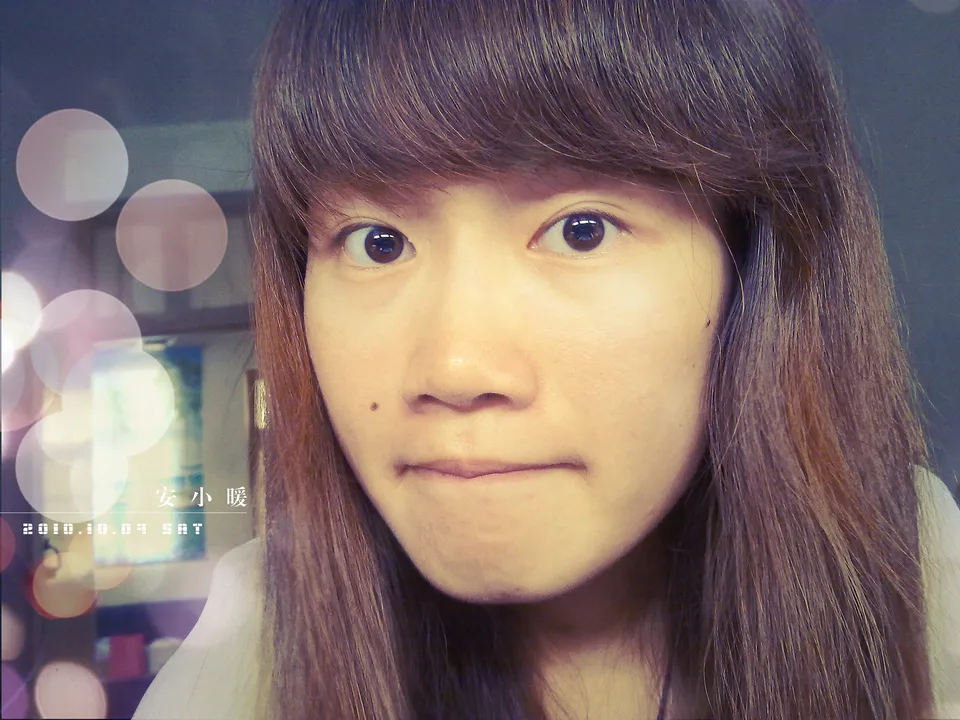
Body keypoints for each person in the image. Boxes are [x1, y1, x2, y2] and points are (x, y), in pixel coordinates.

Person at [134, 0, 960, 718]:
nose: (455, 369)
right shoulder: (250, 656)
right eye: (377, 242)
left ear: (750, 265)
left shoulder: (915, 587)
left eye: (581, 231)